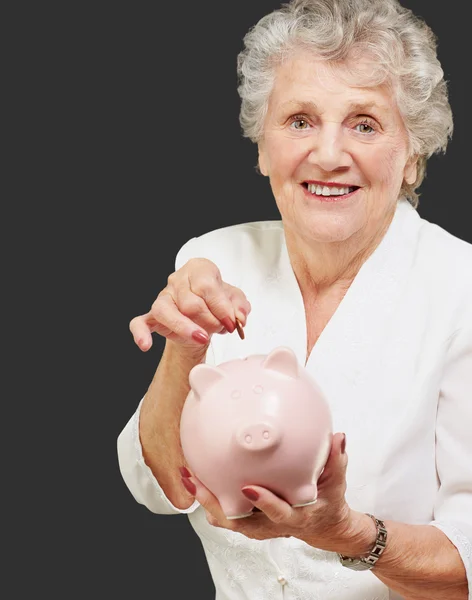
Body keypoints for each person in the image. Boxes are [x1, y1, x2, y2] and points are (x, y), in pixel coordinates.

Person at [117, 0, 471, 598]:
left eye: (364, 123)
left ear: (412, 155)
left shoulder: (461, 289)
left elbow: (467, 568)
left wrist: (351, 535)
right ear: (262, 146)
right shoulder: (212, 261)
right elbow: (166, 487)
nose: (329, 154)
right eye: (300, 120)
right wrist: (184, 350)